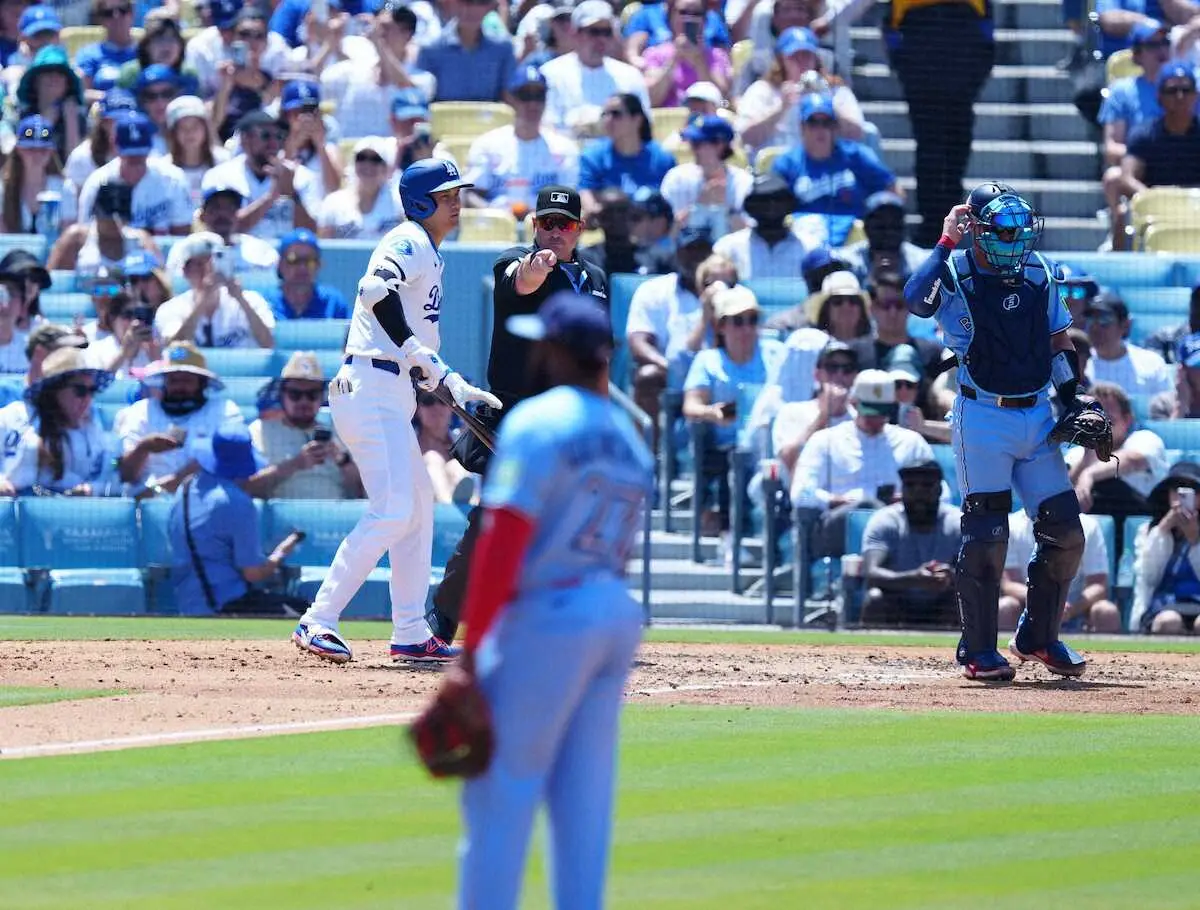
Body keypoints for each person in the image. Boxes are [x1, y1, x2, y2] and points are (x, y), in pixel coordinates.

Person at [450, 291, 653, 910]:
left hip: (549, 617)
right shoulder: (631, 439)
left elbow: (503, 538)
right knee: (584, 805)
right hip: (612, 614)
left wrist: (468, 657)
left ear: (555, 351)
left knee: (502, 791)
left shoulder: (538, 422)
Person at [291, 158, 501, 665]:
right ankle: (317, 619)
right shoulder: (407, 238)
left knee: (418, 505)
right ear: (423, 201)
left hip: (388, 387)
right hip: (370, 384)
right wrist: (413, 352)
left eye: (458, 194)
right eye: (448, 195)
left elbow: (416, 349)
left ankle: (410, 631)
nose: (457, 203)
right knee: (393, 509)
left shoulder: (427, 248)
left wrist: (449, 380)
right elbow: (373, 292)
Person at [904, 182, 1090, 681]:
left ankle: (1039, 636)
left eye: (1018, 229)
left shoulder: (1040, 271)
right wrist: (945, 240)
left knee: (1067, 532)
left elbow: (1058, 339)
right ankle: (977, 650)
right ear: (978, 231)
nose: (1013, 239)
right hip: (982, 415)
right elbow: (915, 301)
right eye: (1002, 230)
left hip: (1037, 414)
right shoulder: (956, 271)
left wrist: (1076, 397)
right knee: (987, 532)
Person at [428, 184, 608, 645]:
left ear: (579, 230)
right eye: (545, 223)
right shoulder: (512, 259)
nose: (553, 232)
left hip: (568, 419)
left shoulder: (595, 279)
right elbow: (522, 279)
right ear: (533, 227)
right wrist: (539, 265)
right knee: (495, 518)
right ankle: (442, 620)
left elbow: (599, 358)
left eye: (563, 224)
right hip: (516, 417)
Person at [169, 421, 309, 616]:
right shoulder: (237, 502)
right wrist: (284, 549)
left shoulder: (184, 487)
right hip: (226, 606)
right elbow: (254, 573)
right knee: (309, 614)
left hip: (187, 602)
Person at [884, 0, 994, 248]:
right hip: (920, 52)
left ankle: (954, 220)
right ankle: (930, 223)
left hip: (962, 51)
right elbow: (890, 25)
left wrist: (981, 64)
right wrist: (901, 63)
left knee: (958, 144)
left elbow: (987, 23)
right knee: (929, 147)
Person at [792, 368, 933, 559]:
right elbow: (801, 493)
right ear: (854, 403)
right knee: (866, 506)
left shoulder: (911, 442)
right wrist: (838, 500)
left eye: (881, 413)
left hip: (896, 526)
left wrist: (907, 499)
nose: (876, 420)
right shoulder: (825, 440)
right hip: (840, 525)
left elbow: (942, 494)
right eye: (869, 413)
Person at [771, 93, 899, 249]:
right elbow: (771, 208)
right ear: (801, 127)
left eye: (826, 122)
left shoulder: (856, 156)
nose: (820, 129)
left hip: (854, 244)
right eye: (813, 122)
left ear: (835, 127)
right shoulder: (787, 163)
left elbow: (893, 190)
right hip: (802, 246)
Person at [116, 341, 245, 494]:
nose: (180, 387)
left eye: (187, 380)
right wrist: (143, 448)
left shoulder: (225, 411)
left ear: (202, 383)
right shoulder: (140, 412)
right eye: (174, 380)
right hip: (146, 505)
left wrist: (175, 481)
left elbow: (233, 459)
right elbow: (124, 475)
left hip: (205, 503)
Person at [0, 346, 120, 496]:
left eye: (92, 391)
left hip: (67, 515)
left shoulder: (91, 428)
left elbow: (109, 478)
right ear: (55, 390)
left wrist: (90, 489)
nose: (88, 399)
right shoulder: (14, 416)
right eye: (80, 390)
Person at [463, 64, 580, 217]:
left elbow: (570, 199)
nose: (533, 104)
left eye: (539, 96)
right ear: (510, 99)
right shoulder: (487, 144)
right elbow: (471, 194)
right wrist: (496, 214)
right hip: (497, 230)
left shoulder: (564, 148)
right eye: (525, 96)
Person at [626, 226, 714, 427]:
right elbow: (638, 342)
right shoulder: (654, 290)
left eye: (702, 251)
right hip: (671, 373)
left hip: (718, 371)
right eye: (689, 250)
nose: (697, 257)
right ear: (677, 253)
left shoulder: (729, 287)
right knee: (647, 376)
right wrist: (669, 367)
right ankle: (650, 455)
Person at [244, 352, 363, 500]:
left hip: (333, 520)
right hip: (281, 522)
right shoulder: (258, 431)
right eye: (295, 394)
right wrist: (296, 464)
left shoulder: (341, 433)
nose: (304, 402)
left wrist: (342, 460)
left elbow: (363, 493)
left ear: (322, 396)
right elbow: (246, 489)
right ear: (282, 394)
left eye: (312, 394)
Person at [859, 458, 962, 628]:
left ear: (939, 490)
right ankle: (869, 654)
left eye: (926, 485)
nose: (918, 492)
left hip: (942, 604)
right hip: (898, 602)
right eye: (910, 485)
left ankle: (967, 652)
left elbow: (976, 575)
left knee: (963, 599)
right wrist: (914, 579)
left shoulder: (957, 523)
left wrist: (950, 576)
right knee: (875, 598)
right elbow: (871, 573)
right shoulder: (885, 520)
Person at [737, 26, 865, 157]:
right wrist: (781, 108)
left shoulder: (835, 90)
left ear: (816, 58)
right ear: (781, 60)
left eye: (807, 55)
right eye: (795, 56)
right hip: (775, 165)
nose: (802, 61)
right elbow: (745, 137)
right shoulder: (762, 90)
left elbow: (856, 134)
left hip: (825, 164)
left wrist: (829, 103)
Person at [201, 110, 323, 241]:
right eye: (266, 136)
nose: (274, 143)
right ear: (245, 139)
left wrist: (293, 194)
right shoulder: (220, 176)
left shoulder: (302, 176)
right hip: (240, 257)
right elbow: (222, 230)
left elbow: (311, 232)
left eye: (279, 136)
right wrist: (272, 196)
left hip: (287, 257)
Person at [1000, 511, 1120, 634]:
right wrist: (1042, 601)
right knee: (1005, 607)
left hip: (1076, 607)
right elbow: (1009, 584)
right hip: (1029, 605)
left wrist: (1071, 608)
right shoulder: (1012, 525)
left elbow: (1098, 585)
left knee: (1107, 612)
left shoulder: (1089, 526)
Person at [541, 0, 650, 136]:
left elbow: (643, 129)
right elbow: (545, 127)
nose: (601, 39)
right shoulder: (550, 74)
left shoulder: (630, 77)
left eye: (606, 32)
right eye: (594, 32)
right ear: (576, 34)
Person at [153, 231, 276, 350]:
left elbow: (268, 343)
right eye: (197, 264)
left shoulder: (251, 300)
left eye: (211, 262)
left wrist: (241, 300)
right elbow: (175, 348)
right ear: (185, 271)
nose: (206, 269)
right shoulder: (171, 309)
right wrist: (202, 302)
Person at [76, 112, 192, 235]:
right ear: (114, 146)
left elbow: (182, 236)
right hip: (114, 252)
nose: (135, 159)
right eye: (129, 154)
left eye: (140, 153)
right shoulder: (98, 183)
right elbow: (86, 235)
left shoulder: (173, 179)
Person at [578, 92, 676, 220]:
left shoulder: (662, 159)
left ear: (637, 119)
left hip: (652, 232)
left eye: (616, 114)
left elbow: (671, 205)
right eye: (604, 114)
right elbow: (587, 196)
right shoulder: (592, 157)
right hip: (611, 230)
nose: (608, 120)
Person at [659, 113, 752, 240]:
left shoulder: (744, 182)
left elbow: (752, 237)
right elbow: (665, 236)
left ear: (719, 145)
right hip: (684, 256)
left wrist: (727, 209)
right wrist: (698, 205)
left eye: (697, 144)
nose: (692, 149)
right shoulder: (676, 178)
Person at [1132, 461, 1200, 634]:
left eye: (1192, 489)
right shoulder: (1148, 530)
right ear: (1167, 494)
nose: (1180, 494)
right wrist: (1162, 530)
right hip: (1161, 606)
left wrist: (1195, 541)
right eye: (1175, 488)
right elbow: (1148, 577)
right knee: (1169, 621)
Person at [712, 172, 812, 280]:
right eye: (763, 202)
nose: (771, 208)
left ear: (789, 206)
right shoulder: (728, 248)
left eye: (778, 201)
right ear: (749, 208)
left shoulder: (809, 247)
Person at [416, 0, 515, 102]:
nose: (472, 9)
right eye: (465, 1)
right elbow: (421, 99)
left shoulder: (503, 49)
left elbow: (509, 99)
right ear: (452, 4)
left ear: (490, 7)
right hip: (444, 117)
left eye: (481, 3)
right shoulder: (430, 49)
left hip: (488, 117)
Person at [641, 0, 733, 107]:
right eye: (683, 12)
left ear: (705, 20)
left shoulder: (717, 56)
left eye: (696, 13)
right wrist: (674, 59)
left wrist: (699, 61)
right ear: (671, 16)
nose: (689, 18)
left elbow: (722, 99)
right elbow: (651, 99)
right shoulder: (654, 54)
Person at [1083, 290, 1172, 398]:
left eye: (1104, 319)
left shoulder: (1152, 363)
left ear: (1125, 325)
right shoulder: (1081, 364)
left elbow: (1164, 410)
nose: (1095, 327)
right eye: (1091, 319)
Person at [317, 137, 406, 241]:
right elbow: (325, 247)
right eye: (361, 158)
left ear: (386, 167)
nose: (367, 165)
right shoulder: (333, 203)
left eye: (375, 160)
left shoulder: (400, 204)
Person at [0, 114, 75, 234]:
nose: (37, 155)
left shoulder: (64, 189)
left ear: (51, 152)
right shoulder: (3, 189)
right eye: (30, 149)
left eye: (43, 150)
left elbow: (68, 235)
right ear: (19, 150)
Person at [836, 191, 927, 282]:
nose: (889, 233)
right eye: (880, 227)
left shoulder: (922, 263)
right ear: (866, 228)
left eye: (894, 226)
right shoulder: (848, 262)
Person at [265, 229, 350, 321]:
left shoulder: (334, 303)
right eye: (293, 259)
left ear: (319, 265)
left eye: (310, 261)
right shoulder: (265, 303)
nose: (302, 267)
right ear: (280, 264)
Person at [414, 388, 475, 505]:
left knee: (457, 466)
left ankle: (465, 513)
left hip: (467, 509)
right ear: (417, 408)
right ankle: (448, 512)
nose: (436, 407)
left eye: (443, 401)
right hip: (419, 506)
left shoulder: (463, 442)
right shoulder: (406, 442)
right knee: (432, 459)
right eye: (428, 401)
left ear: (451, 408)